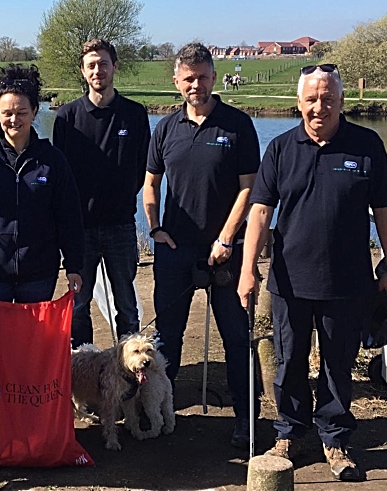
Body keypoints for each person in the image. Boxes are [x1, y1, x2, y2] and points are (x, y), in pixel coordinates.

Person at [237, 64, 387, 482]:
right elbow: (259, 211)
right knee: (289, 360)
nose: (319, 107)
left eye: (327, 99)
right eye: (311, 99)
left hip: (348, 283)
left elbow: (384, 211)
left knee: (337, 365)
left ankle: (335, 438)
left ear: (342, 102)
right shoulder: (280, 149)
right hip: (290, 281)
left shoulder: (366, 145)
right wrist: (247, 268)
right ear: (299, 102)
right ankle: (290, 432)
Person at [143, 42, 261, 449]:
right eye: (188, 78)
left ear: (214, 77)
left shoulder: (238, 125)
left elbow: (251, 189)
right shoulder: (165, 128)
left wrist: (226, 237)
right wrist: (155, 227)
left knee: (236, 338)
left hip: (226, 251)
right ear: (177, 81)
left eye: (203, 77)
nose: (196, 84)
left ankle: (246, 422)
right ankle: (160, 414)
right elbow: (151, 183)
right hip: (175, 250)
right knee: (167, 338)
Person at [0, 64, 84, 303]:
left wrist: (74, 264)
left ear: (34, 111)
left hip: (39, 274)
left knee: (32, 340)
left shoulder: (52, 160)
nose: (14, 120)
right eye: (7, 113)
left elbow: (68, 215)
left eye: (22, 112)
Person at [53, 39, 150, 347]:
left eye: (103, 64)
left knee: (127, 307)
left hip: (121, 226)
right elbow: (61, 177)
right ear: (83, 71)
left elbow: (142, 169)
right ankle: (85, 371)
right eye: (91, 65)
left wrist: (120, 198)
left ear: (114, 67)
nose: (98, 71)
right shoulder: (66, 118)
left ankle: (131, 375)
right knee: (78, 307)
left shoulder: (134, 115)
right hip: (80, 229)